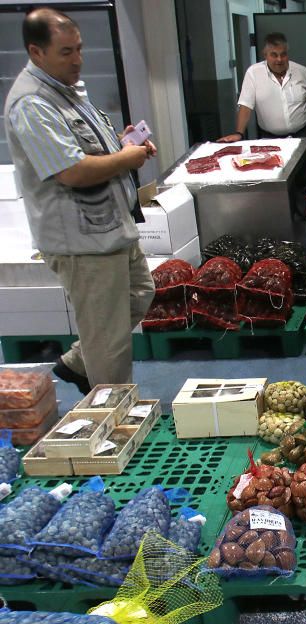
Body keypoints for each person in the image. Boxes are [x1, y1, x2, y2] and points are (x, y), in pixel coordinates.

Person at [4, 7, 155, 392]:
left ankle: (77, 362)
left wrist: (120, 144)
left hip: (111, 227)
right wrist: (128, 158)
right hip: (82, 241)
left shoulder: (66, 91)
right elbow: (70, 172)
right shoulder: (33, 104)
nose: (78, 60)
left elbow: (87, 151)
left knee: (140, 294)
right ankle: (115, 422)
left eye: (80, 49)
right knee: (109, 341)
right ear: (37, 52)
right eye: (66, 52)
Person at [218, 32, 306, 142]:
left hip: (305, 134)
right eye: (274, 55)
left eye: (283, 54)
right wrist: (239, 133)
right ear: (265, 55)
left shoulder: (303, 72)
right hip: (270, 138)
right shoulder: (253, 73)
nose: (279, 59)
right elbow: (246, 106)